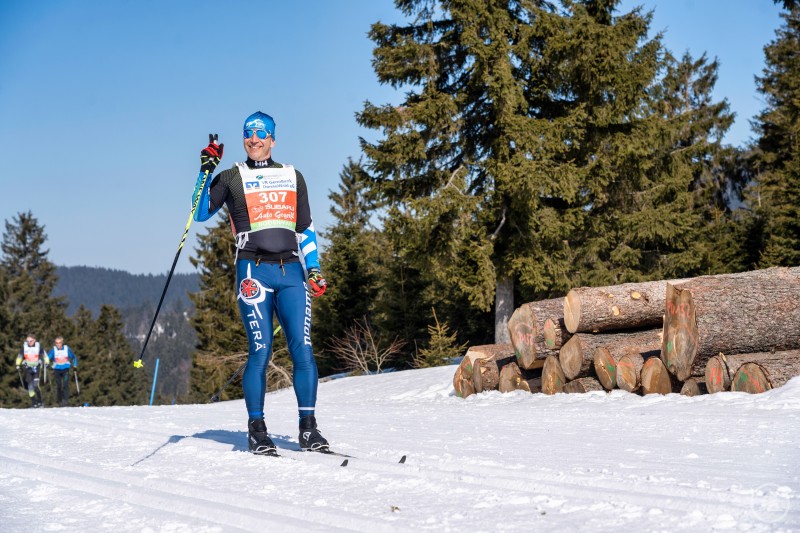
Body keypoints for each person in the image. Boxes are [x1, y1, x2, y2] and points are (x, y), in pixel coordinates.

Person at [193, 111, 329, 455]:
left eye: (261, 134)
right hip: (253, 271)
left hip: (292, 272)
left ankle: (308, 429)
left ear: (272, 138)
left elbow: (306, 229)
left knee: (303, 348)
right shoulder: (231, 177)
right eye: (248, 134)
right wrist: (205, 171)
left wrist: (313, 269)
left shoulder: (292, 175)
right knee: (261, 349)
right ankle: (257, 430)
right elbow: (200, 213)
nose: (254, 139)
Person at [15, 334, 49, 408]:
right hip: (27, 368)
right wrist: (17, 364)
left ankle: (40, 402)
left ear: (34, 340)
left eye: (31, 341)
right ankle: (34, 403)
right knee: (30, 386)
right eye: (28, 341)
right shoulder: (24, 347)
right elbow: (20, 356)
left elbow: (44, 355)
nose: (29, 342)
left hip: (36, 367)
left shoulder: (38, 346)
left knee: (35, 385)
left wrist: (47, 362)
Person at [47, 336, 78, 407]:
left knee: (66, 384)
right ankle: (60, 401)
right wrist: (47, 365)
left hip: (65, 369)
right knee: (59, 385)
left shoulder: (66, 349)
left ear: (62, 342)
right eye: (56, 343)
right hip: (57, 369)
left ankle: (66, 401)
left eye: (59, 343)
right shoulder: (53, 350)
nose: (58, 344)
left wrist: (75, 366)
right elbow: (47, 358)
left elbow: (74, 357)